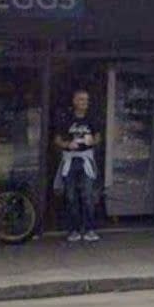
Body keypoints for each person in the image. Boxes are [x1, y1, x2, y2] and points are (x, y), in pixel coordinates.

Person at [52, 89, 100, 243]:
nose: (84, 103)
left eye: (86, 100)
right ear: (74, 101)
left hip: (86, 158)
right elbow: (57, 139)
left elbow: (98, 137)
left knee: (87, 195)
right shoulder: (66, 119)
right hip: (70, 159)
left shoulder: (91, 119)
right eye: (81, 99)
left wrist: (92, 141)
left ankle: (90, 228)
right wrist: (67, 144)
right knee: (70, 196)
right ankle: (73, 229)